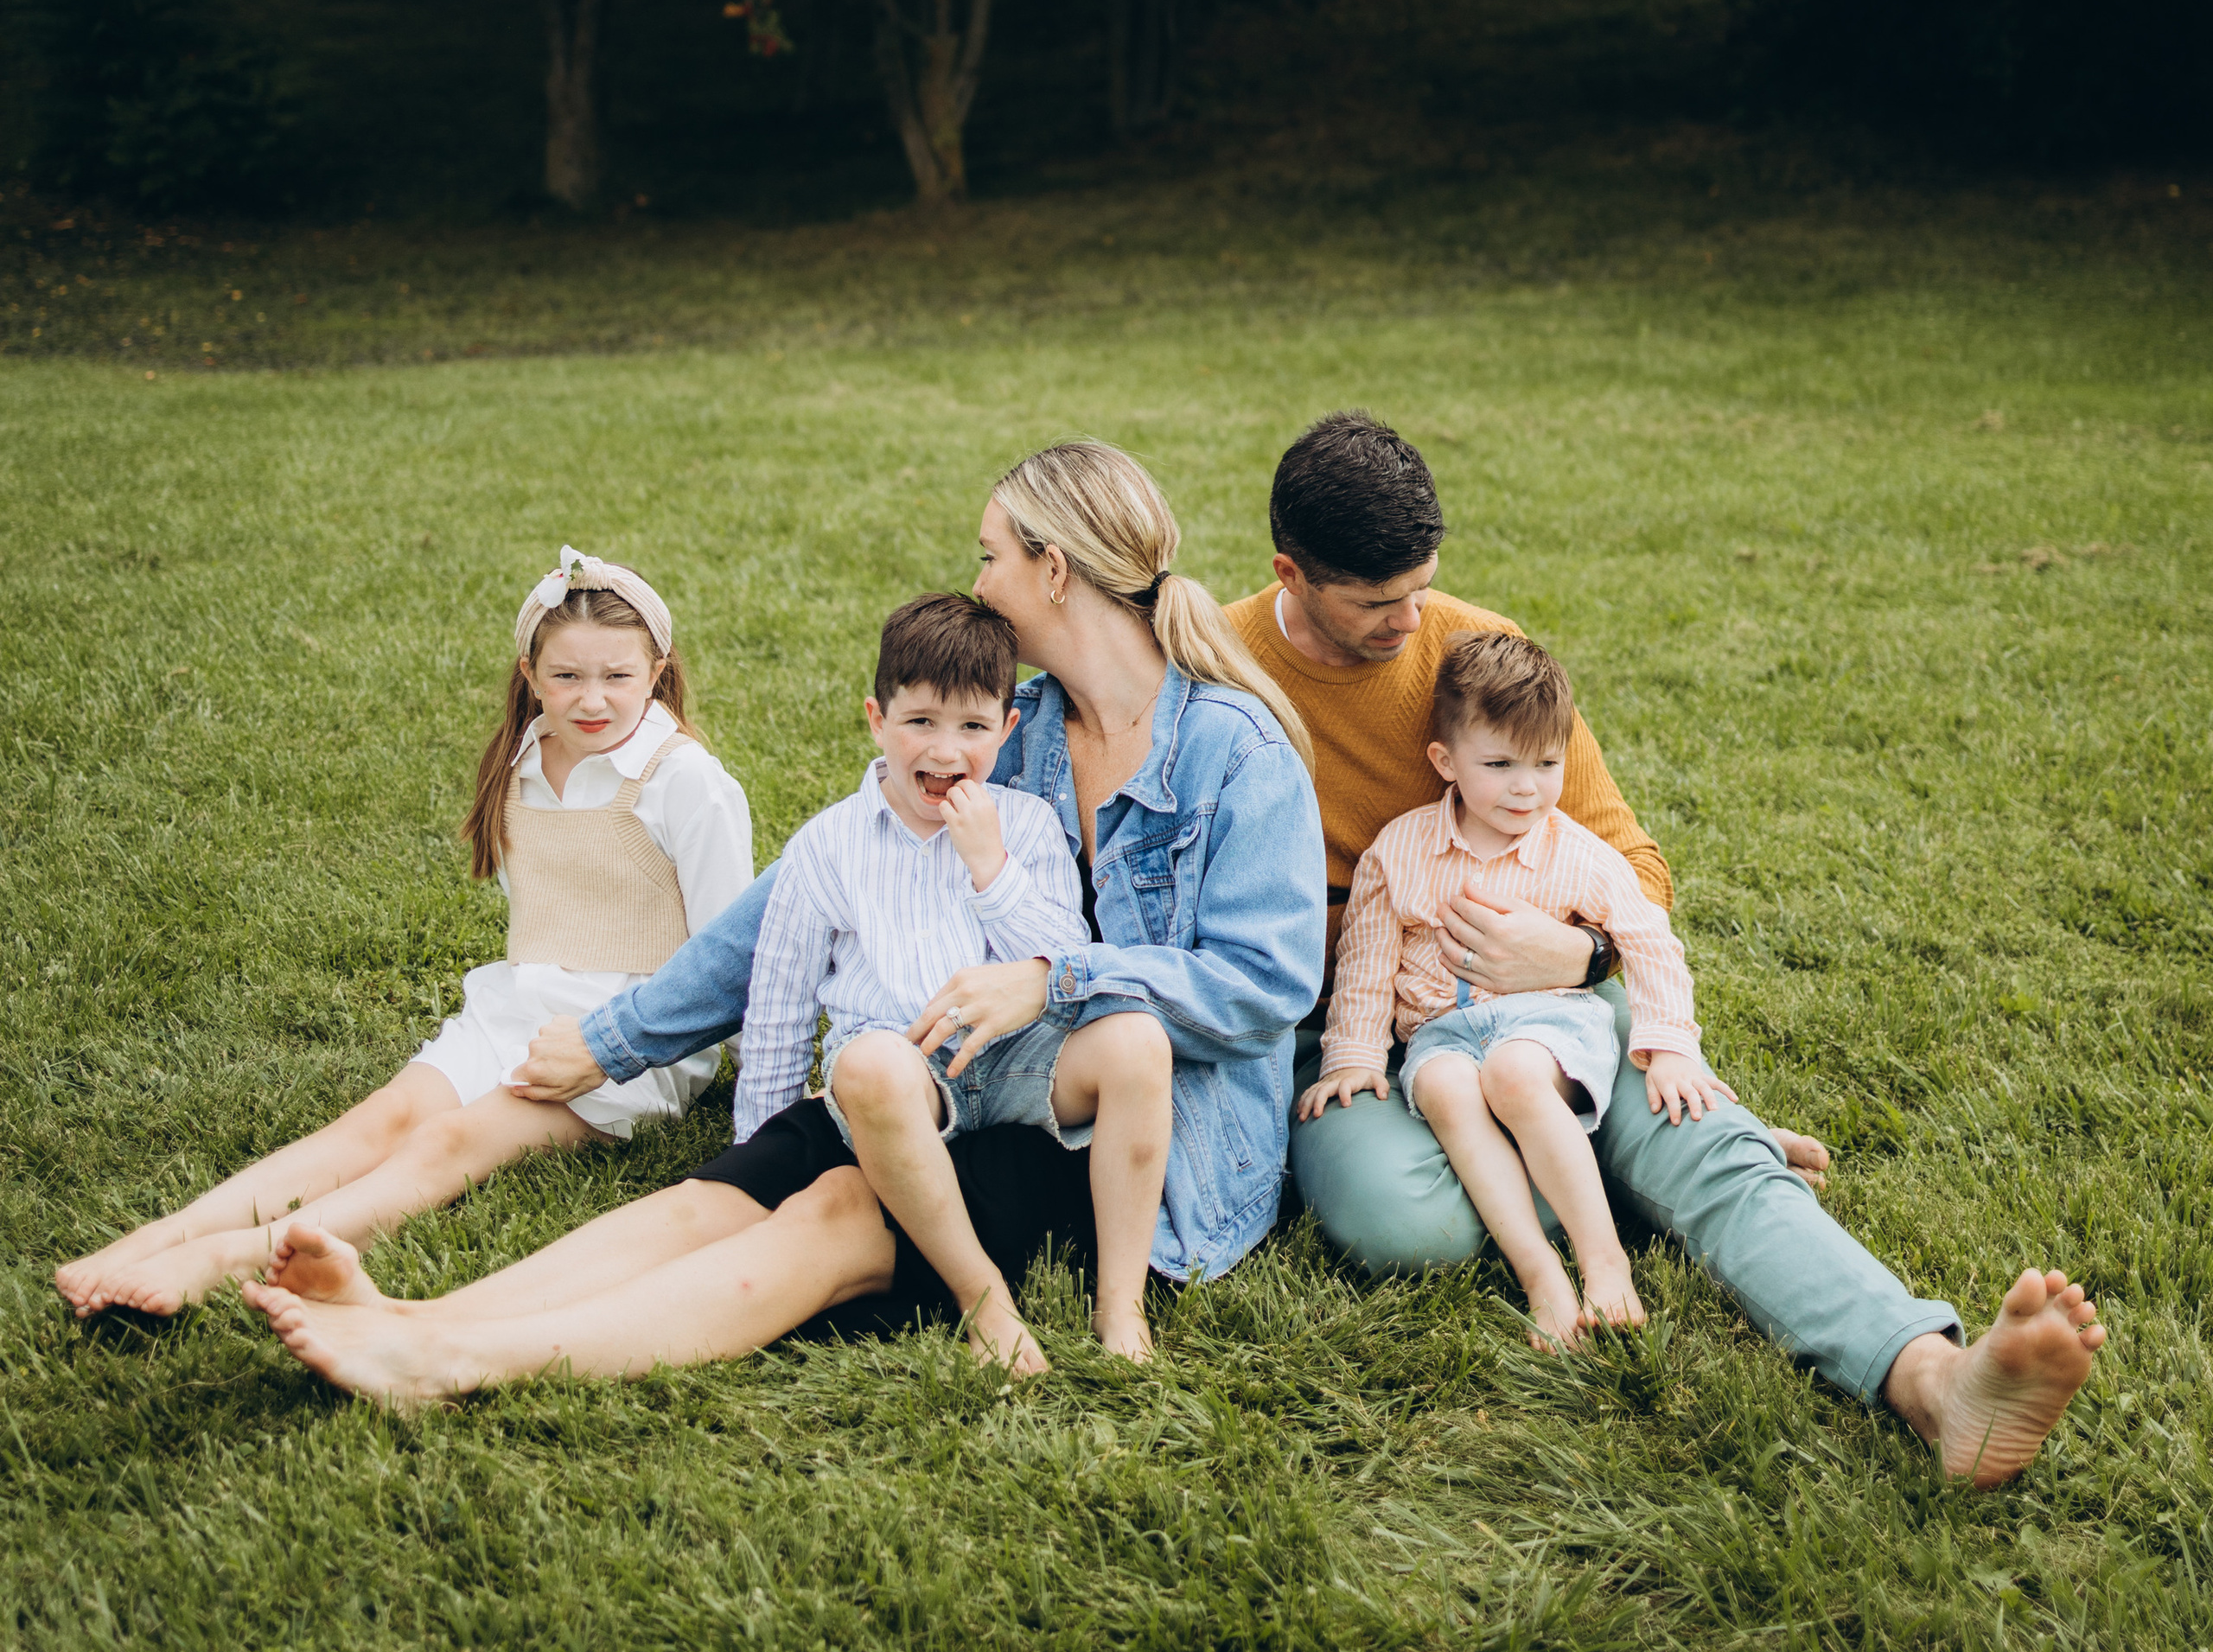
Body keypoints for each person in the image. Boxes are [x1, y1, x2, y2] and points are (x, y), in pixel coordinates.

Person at [243, 444, 1326, 1404]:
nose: (978, 581)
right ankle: (413, 1318)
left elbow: (1266, 985)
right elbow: (794, 898)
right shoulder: (1020, 726)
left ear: (1052, 569)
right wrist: (621, 1038)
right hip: (936, 1062)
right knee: (711, 1200)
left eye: (991, 555)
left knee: (832, 1217)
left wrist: (1054, 980)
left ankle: (450, 1362)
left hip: (1110, 1132)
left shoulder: (1232, 749)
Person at [1235, 411, 2106, 1487]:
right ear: (1291, 573)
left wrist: (1577, 959)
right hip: (1359, 1024)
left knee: (1685, 1126)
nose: (1410, 621)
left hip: (1545, 995)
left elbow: (1632, 865)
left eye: (1421, 588)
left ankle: (1933, 1381)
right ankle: (1628, 1162)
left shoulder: (1472, 654)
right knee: (1401, 1225)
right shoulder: (1221, 670)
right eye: (1377, 603)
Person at [55, 547, 749, 1320]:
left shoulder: (687, 781)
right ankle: (160, 1236)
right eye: (567, 676)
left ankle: (227, 1256)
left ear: (656, 672)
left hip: (626, 1037)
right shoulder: (522, 760)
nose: (592, 699)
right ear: (530, 674)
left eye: (617, 675)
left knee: (447, 1144)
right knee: (379, 1120)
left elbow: (732, 954)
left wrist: (750, 1088)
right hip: (519, 1007)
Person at [740, 590, 1174, 1370]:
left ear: (1006, 730)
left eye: (973, 727)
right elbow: (779, 1011)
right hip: (900, 1073)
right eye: (920, 722)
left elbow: (1066, 965)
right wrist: (758, 1156)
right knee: (870, 1065)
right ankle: (983, 1300)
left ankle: (1122, 1304)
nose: (946, 751)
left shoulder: (1025, 826)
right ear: (877, 720)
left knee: (1138, 1040)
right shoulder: (826, 847)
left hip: (1013, 1061)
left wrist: (990, 868)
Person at [1300, 628, 1726, 1348]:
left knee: (1513, 1073)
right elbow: (1367, 966)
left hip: (1548, 1020)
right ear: (1446, 761)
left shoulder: (1579, 854)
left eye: (1546, 764)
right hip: (1441, 1035)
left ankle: (1604, 1264)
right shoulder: (1400, 850)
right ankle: (1542, 1277)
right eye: (1498, 765)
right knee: (1445, 1088)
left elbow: (1650, 942)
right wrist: (1353, 1059)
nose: (1526, 787)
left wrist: (1672, 1046)